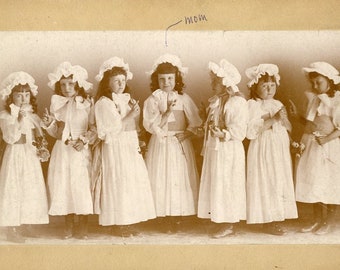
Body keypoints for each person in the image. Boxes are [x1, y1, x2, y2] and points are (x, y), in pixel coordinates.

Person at [93, 57, 156, 237]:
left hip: (128, 144)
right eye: (116, 81)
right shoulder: (104, 103)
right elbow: (108, 130)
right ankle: (118, 223)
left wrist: (136, 136)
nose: (121, 84)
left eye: (123, 80)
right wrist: (130, 116)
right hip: (115, 147)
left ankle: (128, 221)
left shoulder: (127, 100)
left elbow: (132, 127)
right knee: (119, 181)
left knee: (131, 182)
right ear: (107, 83)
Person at [143, 54, 202, 232]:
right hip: (161, 142)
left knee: (178, 177)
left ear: (176, 79)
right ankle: (163, 216)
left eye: (170, 79)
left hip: (178, 143)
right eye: (162, 79)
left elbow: (196, 122)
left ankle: (177, 216)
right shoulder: (152, 99)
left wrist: (188, 134)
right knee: (161, 176)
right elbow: (149, 124)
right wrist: (165, 113)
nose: (166, 82)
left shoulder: (183, 99)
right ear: (156, 80)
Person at [42, 62, 96, 239]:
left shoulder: (88, 104)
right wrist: (50, 123)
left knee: (81, 185)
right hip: (63, 150)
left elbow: (94, 127)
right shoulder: (57, 104)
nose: (66, 88)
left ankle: (83, 224)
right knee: (64, 184)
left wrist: (84, 141)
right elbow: (56, 132)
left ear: (78, 84)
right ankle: (69, 224)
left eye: (71, 84)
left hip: (80, 149)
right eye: (63, 84)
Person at [197, 60, 248, 238]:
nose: (212, 85)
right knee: (218, 183)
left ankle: (230, 223)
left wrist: (223, 134)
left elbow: (240, 132)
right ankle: (221, 219)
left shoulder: (237, 103)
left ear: (225, 83)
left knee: (228, 184)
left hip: (229, 150)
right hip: (216, 149)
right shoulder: (217, 102)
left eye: (215, 82)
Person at [245, 64, 298, 235]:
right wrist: (274, 119)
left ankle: (277, 216)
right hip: (263, 146)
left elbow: (286, 127)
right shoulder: (252, 105)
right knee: (266, 179)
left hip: (279, 146)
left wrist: (288, 121)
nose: (269, 89)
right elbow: (251, 131)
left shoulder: (278, 103)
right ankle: (267, 220)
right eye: (264, 85)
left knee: (279, 179)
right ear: (255, 87)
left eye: (272, 85)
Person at [0, 71, 49, 243]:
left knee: (30, 187)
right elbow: (10, 138)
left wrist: (42, 146)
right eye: (19, 95)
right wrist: (19, 119)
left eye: (26, 95)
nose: (23, 99)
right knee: (14, 188)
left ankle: (28, 223)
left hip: (30, 155)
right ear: (11, 97)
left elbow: (40, 134)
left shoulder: (33, 116)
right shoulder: (6, 116)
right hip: (15, 155)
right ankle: (12, 227)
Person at [294, 62, 340, 235]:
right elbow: (310, 124)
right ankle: (316, 219)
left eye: (318, 82)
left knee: (330, 183)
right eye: (312, 82)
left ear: (329, 80)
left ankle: (327, 221)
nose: (314, 86)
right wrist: (297, 118)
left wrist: (326, 139)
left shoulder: (337, 100)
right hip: (314, 144)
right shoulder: (313, 100)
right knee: (315, 182)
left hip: (330, 146)